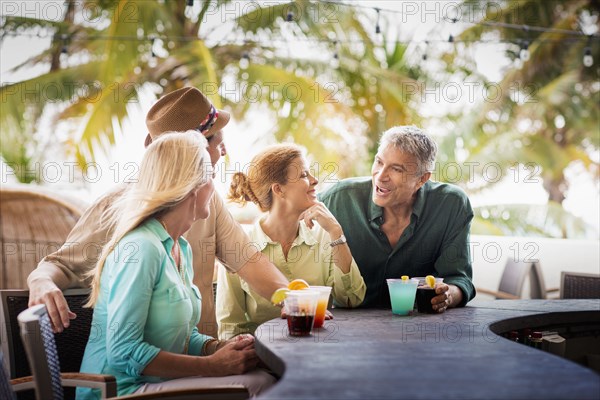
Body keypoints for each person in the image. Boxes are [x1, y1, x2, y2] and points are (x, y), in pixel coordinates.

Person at [27, 87, 289, 337]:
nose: (224, 152)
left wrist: (298, 302)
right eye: (218, 143)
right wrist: (41, 280)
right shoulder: (116, 205)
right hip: (159, 371)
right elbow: (60, 265)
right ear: (192, 149)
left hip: (205, 357)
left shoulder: (209, 203)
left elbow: (253, 265)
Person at [77, 131, 275, 398]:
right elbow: (123, 351)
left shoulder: (178, 247)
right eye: (211, 179)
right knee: (257, 385)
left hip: (152, 383)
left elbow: (182, 338)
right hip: (118, 390)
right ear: (191, 186)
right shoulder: (142, 248)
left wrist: (218, 348)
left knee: (259, 376)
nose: (213, 190)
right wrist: (211, 367)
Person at [319, 126, 476, 312]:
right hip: (347, 329)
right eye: (379, 162)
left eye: (396, 169)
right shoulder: (338, 199)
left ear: (421, 179)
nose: (381, 176)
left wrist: (447, 295)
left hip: (418, 328)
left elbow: (458, 278)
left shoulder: (451, 204)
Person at [216, 144, 366, 339]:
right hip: (262, 360)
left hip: (319, 351)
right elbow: (230, 328)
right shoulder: (239, 246)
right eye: (304, 175)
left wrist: (336, 233)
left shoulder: (324, 236)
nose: (314, 180)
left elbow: (351, 299)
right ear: (278, 189)